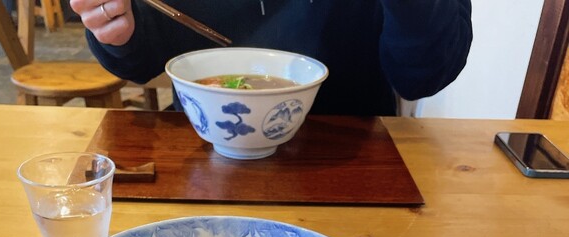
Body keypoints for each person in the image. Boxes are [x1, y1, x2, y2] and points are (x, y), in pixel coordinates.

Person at [69, 0, 473, 116]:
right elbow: (138, 59)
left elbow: (426, 74)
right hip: (202, 150)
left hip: (356, 152)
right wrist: (115, 28)